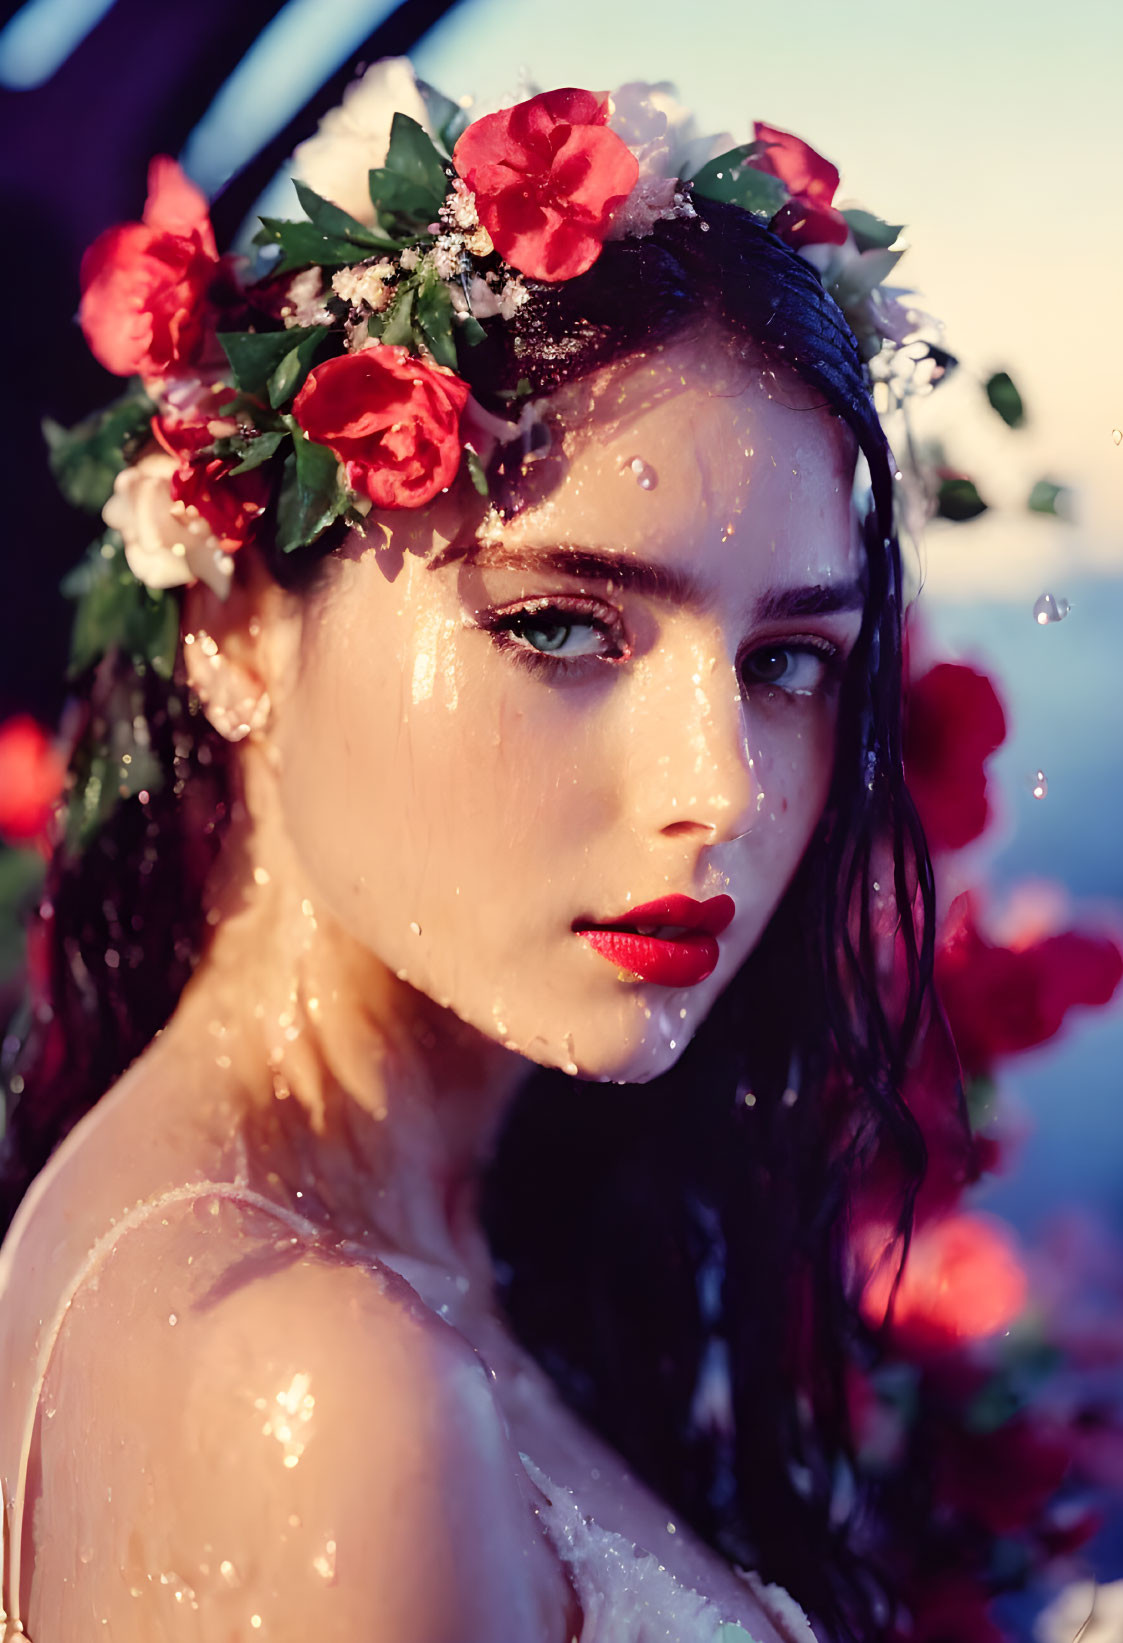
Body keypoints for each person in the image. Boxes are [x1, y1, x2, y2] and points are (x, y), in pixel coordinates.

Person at [0, 65, 943, 1641]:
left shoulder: (363, 1249)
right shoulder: (331, 1395)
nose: (722, 792)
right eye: (560, 624)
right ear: (235, 628)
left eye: (787, 661)